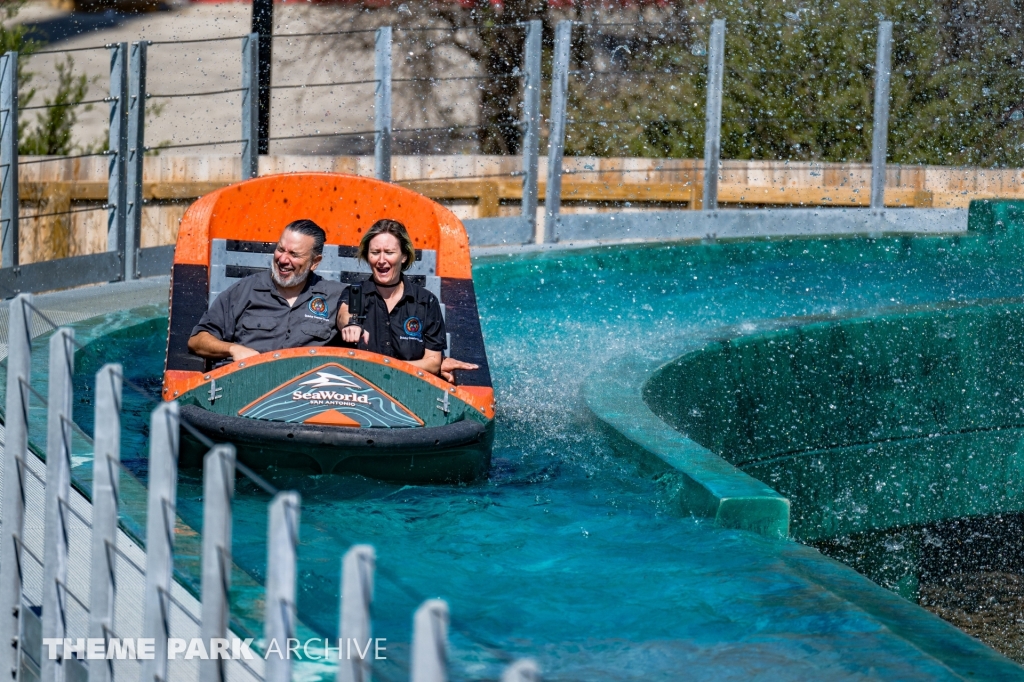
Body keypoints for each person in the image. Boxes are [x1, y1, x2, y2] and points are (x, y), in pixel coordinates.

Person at [338, 219, 478, 381]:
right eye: (375, 252)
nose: (381, 260)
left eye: (389, 252)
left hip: (408, 388)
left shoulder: (426, 301)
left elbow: (433, 363)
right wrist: (352, 324)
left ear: (404, 256)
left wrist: (388, 367)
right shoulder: (355, 293)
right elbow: (344, 315)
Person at [188, 219, 345, 362]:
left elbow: (353, 317)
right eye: (280, 249)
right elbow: (197, 340)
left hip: (307, 389)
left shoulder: (336, 296)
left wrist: (348, 321)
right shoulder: (244, 291)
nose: (283, 260)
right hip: (248, 383)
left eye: (294, 254)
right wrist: (233, 349)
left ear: (314, 262)